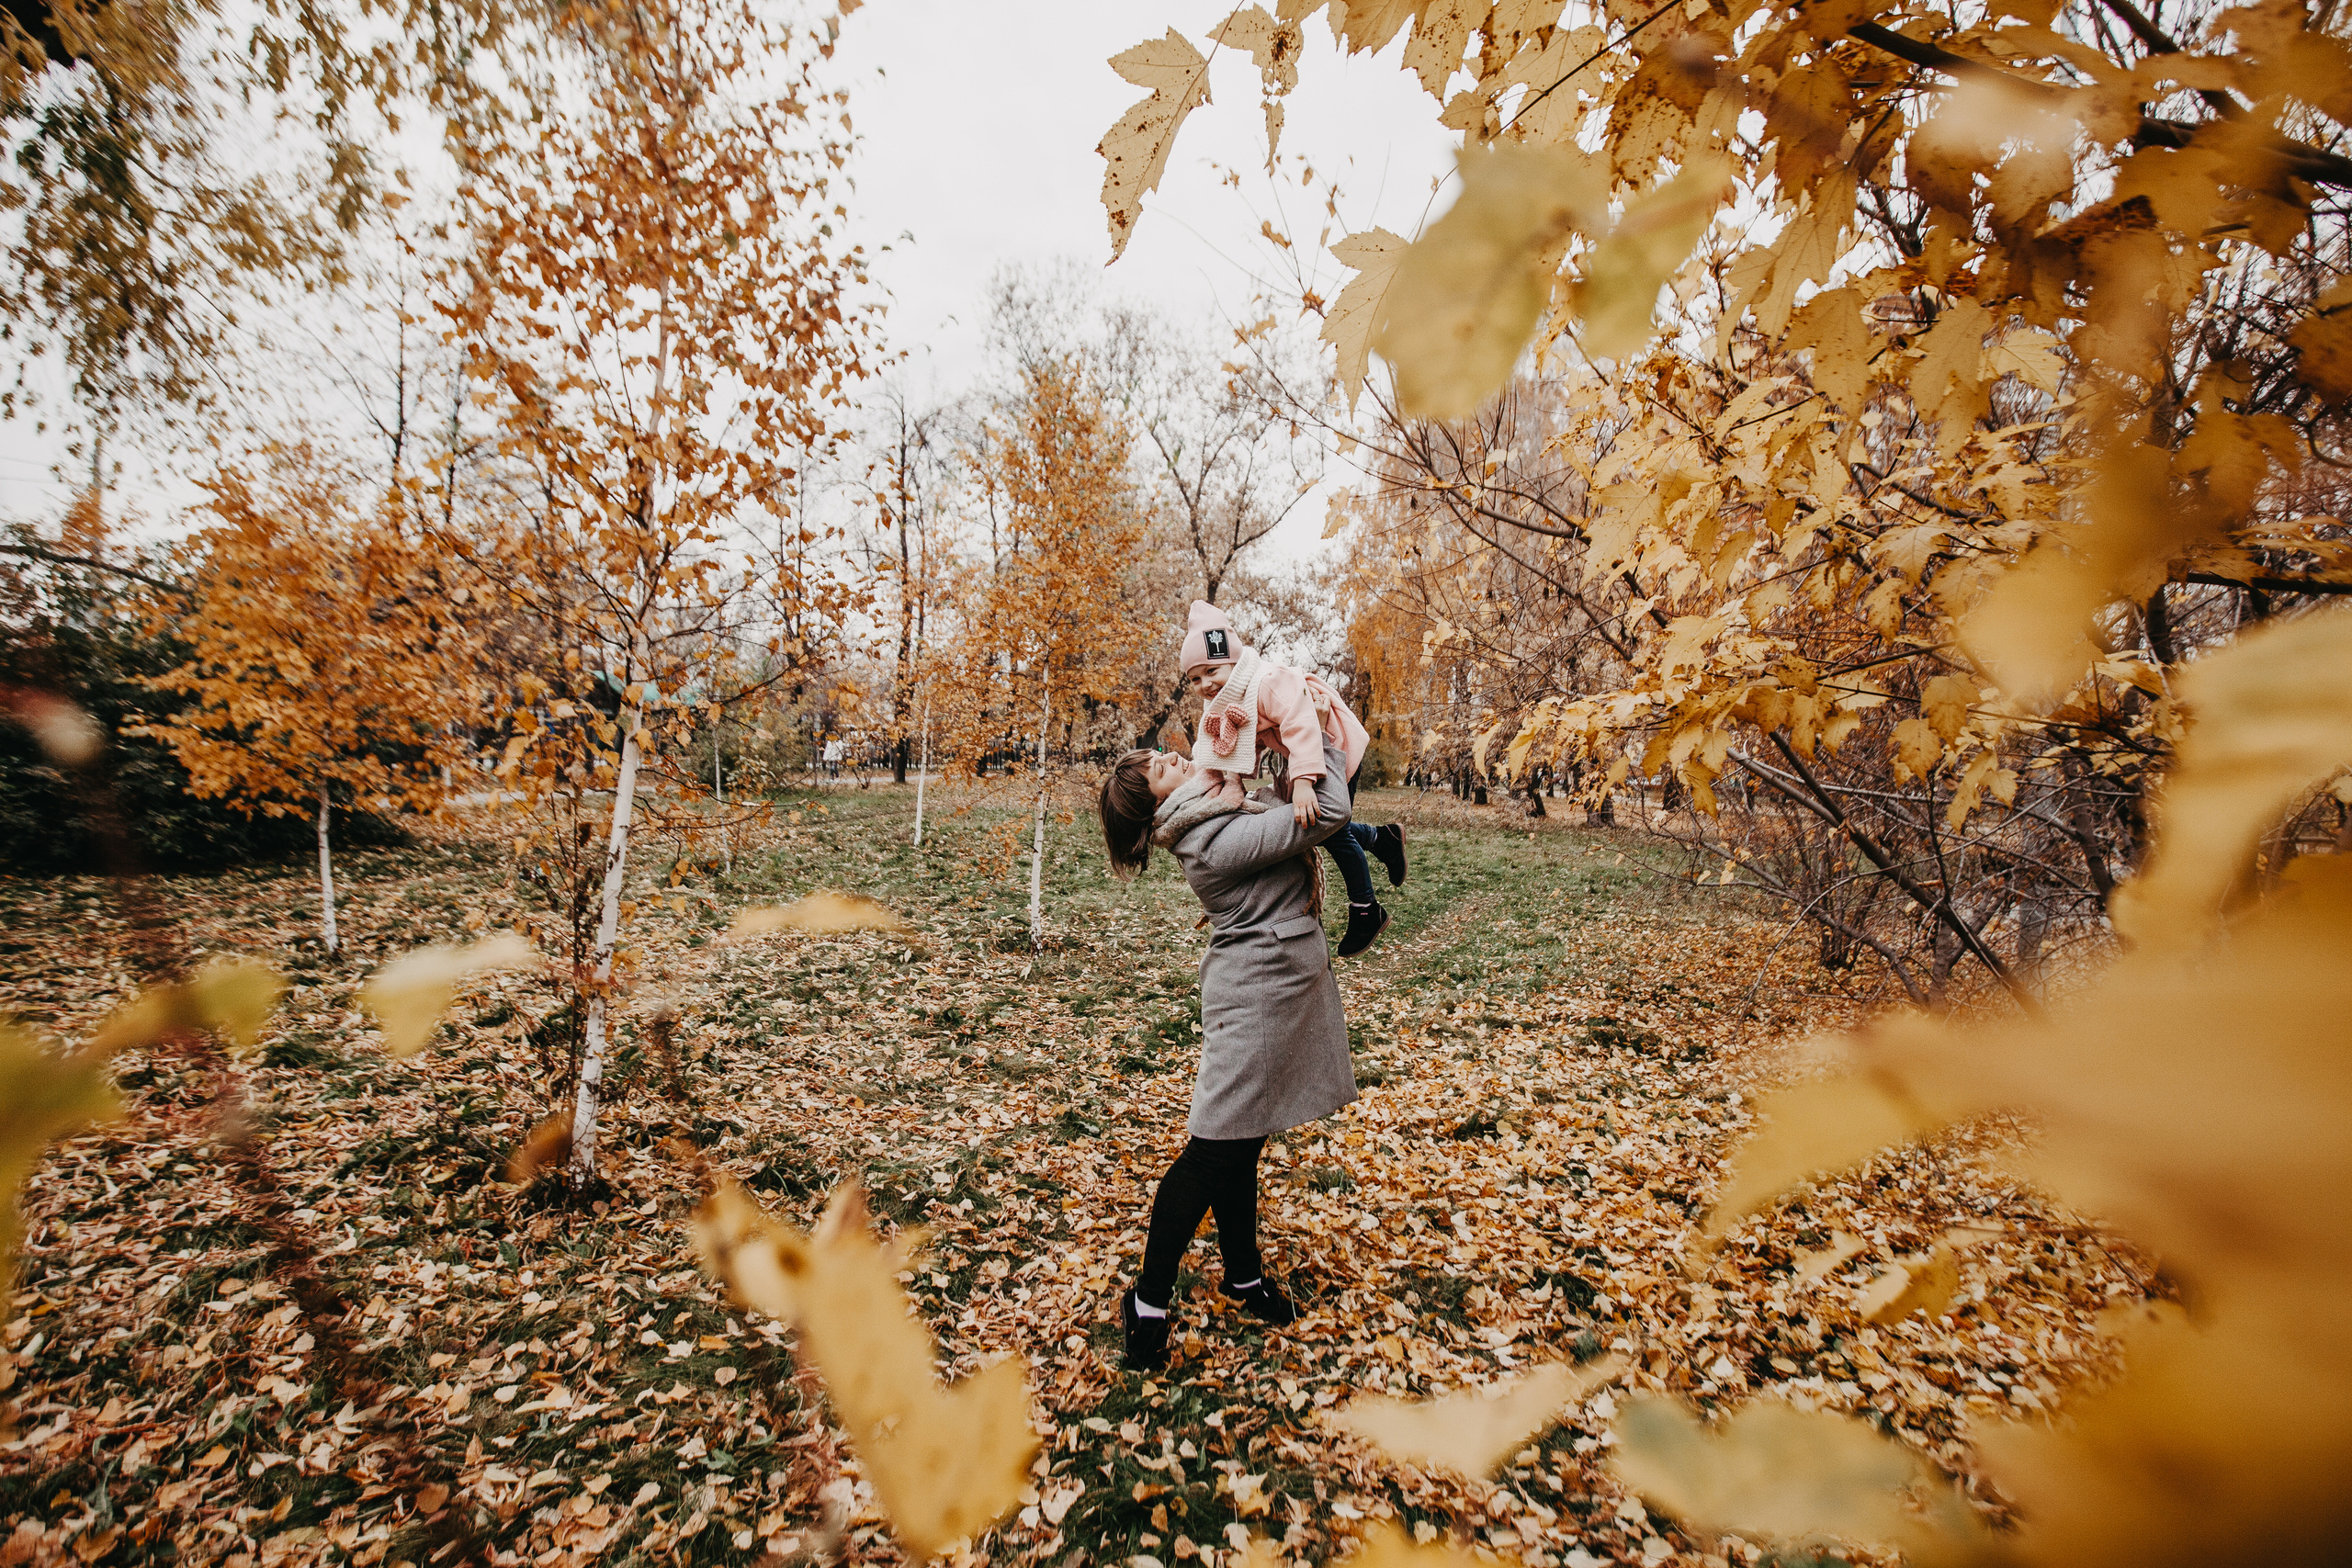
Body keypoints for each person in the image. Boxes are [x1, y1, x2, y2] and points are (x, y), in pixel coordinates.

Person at [1097, 738, 1360, 1372]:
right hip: (1257, 1001)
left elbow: (1277, 798)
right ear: (1158, 804)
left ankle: (1242, 1277)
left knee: (1243, 1138)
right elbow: (1325, 811)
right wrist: (1308, 731)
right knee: (1214, 1147)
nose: (1174, 759)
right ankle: (1149, 1301)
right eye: (1162, 770)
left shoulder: (1215, 807)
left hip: (1271, 987)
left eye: (1162, 755)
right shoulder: (1208, 840)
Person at [1178, 600, 1406, 957]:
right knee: (1326, 826)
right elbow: (1241, 740)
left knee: (1328, 825)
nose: (1204, 684)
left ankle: (1367, 909)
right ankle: (1382, 839)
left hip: (1333, 743)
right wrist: (1225, 779)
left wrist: (1302, 783)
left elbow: (1301, 724)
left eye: (1211, 671)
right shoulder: (1232, 696)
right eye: (1194, 678)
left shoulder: (1266, 683)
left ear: (1233, 662)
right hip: (1307, 753)